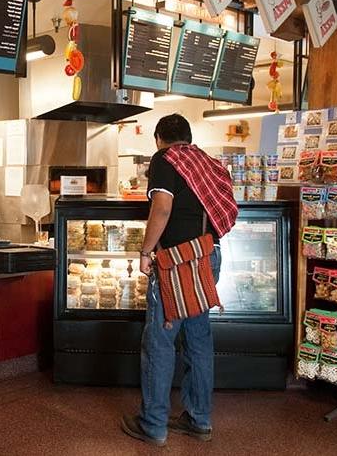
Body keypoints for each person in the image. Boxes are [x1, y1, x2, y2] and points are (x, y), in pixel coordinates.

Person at [120, 114, 237, 447]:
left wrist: (145, 252)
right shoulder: (208, 162)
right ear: (188, 136)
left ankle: (154, 424)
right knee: (199, 339)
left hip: (177, 262)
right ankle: (199, 419)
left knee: (159, 341)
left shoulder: (166, 158)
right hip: (207, 255)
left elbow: (162, 208)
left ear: (159, 138)